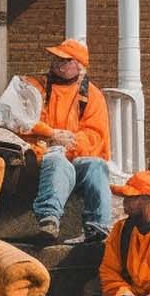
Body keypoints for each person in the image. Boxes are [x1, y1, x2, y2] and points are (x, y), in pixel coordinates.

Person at [20, 38, 111, 243]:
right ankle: (49, 220)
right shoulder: (36, 86)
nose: (56, 63)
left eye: (64, 60)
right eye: (55, 58)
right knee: (57, 160)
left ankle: (98, 227)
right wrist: (51, 134)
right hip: (42, 156)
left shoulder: (92, 95)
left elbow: (96, 135)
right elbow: (22, 120)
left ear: (78, 66)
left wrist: (71, 142)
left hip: (75, 156)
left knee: (96, 166)